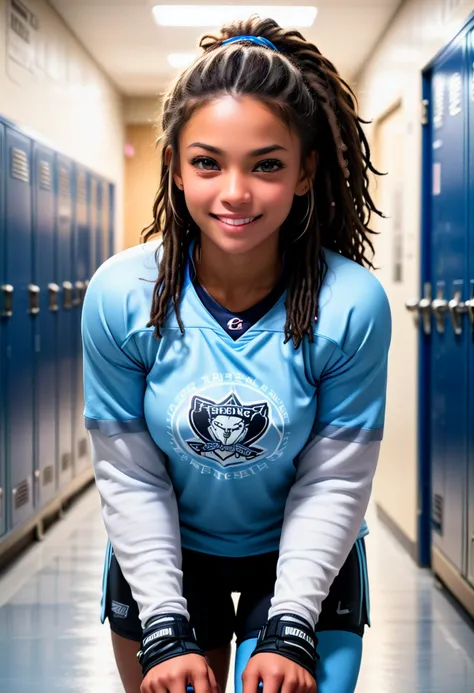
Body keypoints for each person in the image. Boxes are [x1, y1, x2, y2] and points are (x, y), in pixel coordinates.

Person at [82, 15, 391, 693]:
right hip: (167, 555)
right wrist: (164, 622)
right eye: (207, 162)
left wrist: (291, 625)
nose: (235, 193)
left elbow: (334, 478)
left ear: (307, 170)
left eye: (268, 164)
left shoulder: (348, 304)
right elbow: (130, 473)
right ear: (175, 165)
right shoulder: (123, 295)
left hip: (301, 551)